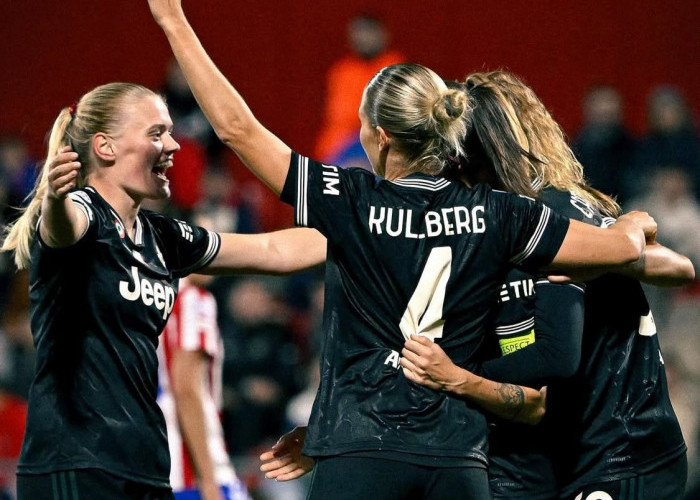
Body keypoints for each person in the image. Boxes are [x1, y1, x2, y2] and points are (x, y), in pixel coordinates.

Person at [147, 2, 660, 499]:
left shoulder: (349, 201)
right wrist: (633, 223)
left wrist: (173, 21)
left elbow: (237, 131)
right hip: (458, 461)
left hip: (361, 451)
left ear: (381, 136)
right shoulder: (502, 213)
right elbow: (621, 250)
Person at [0, 81, 329, 499]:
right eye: (156, 133)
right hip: (76, 463)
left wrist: (363, 226)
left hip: (147, 466)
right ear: (106, 147)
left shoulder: (162, 237)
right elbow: (62, 229)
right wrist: (55, 200)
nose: (173, 145)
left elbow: (274, 250)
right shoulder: (82, 212)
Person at [401, 71, 692, 500]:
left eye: (454, 163)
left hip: (622, 452)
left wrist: (454, 376)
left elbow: (558, 355)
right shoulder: (506, 225)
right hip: (576, 452)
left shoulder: (549, 217)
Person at [157, 258, 250, 499]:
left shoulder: (152, 297)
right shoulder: (193, 299)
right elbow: (186, 389)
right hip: (190, 466)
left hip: (157, 457)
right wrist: (208, 480)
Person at [313, 13, 405, 167]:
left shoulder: (396, 69)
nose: (363, 38)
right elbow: (340, 116)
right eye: (359, 32)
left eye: (369, 32)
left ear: (383, 34)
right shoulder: (342, 71)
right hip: (341, 146)